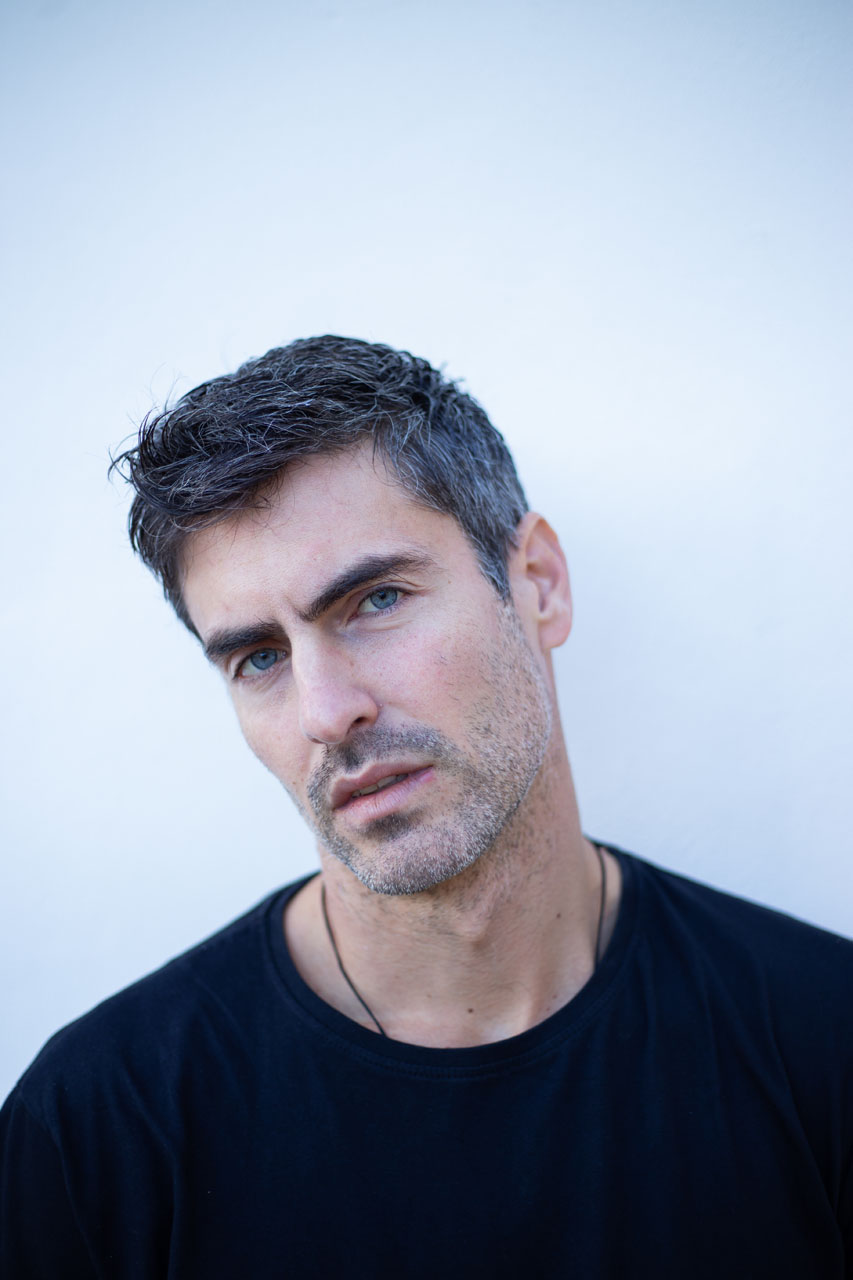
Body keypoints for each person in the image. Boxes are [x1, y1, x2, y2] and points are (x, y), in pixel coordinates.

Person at [1, 335, 851, 1278]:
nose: (327, 714)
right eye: (259, 658)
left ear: (537, 585)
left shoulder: (823, 1041)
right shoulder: (95, 1133)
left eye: (376, 600)